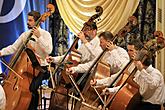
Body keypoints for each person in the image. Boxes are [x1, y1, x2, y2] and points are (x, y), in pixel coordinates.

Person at [0, 11, 53, 110]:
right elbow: (13, 47)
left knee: (32, 88)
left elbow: (49, 50)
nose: (27, 22)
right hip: (27, 68)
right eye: (27, 20)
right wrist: (1, 52)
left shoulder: (45, 34)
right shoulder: (25, 35)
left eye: (30, 20)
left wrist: (39, 37)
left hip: (42, 68)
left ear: (37, 21)